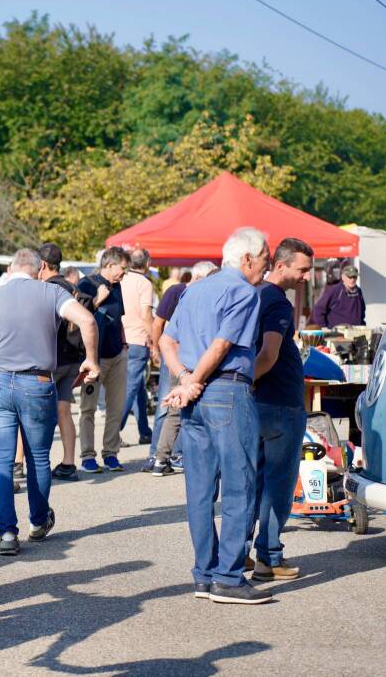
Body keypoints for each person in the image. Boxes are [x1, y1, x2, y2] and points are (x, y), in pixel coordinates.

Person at [0, 248, 100, 556]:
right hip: (37, 381)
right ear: (39, 271)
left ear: (9, 270)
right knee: (38, 457)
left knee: (1, 458)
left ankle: (7, 533)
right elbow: (88, 321)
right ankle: (38, 521)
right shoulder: (50, 292)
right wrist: (91, 360)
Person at [163, 227, 272, 605]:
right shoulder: (242, 291)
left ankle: (204, 575)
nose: (267, 268)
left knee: (200, 488)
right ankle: (228, 577)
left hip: (195, 394)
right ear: (246, 259)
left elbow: (166, 340)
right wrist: (192, 379)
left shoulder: (194, 290)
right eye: (265, 260)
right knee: (240, 482)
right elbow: (223, 343)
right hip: (225, 389)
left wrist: (183, 378)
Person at [250, 238, 314, 582]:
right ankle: (269, 557)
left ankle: (242, 553)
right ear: (281, 264)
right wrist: (250, 379)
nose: (306, 276)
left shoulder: (256, 294)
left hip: (261, 403)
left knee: (255, 483)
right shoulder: (276, 302)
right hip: (280, 404)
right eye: (302, 269)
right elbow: (268, 355)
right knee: (277, 484)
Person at [146, 262, 217, 476]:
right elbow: (160, 325)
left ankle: (162, 457)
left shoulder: (188, 295)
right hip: (184, 360)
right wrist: (157, 350)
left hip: (180, 358)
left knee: (173, 410)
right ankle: (161, 456)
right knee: (172, 409)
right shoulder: (183, 293)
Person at [38, 242, 95, 481]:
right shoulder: (74, 289)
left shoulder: (44, 290)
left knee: (36, 413)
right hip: (73, 360)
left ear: (42, 265)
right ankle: (69, 463)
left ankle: (22, 463)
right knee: (64, 411)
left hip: (51, 360)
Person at [76, 246, 131, 474]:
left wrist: (124, 343)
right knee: (88, 409)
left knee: (115, 408)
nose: (124, 274)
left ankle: (111, 453)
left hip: (117, 355)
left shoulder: (117, 287)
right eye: (123, 269)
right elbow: (77, 317)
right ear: (110, 265)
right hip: (94, 358)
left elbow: (119, 318)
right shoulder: (86, 284)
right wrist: (97, 300)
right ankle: (88, 456)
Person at [119, 247, 155, 445]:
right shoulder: (144, 283)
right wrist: (155, 341)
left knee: (138, 386)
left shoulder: (122, 279)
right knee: (131, 387)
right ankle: (115, 432)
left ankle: (144, 431)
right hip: (138, 339)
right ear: (147, 263)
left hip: (122, 339)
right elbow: (146, 315)